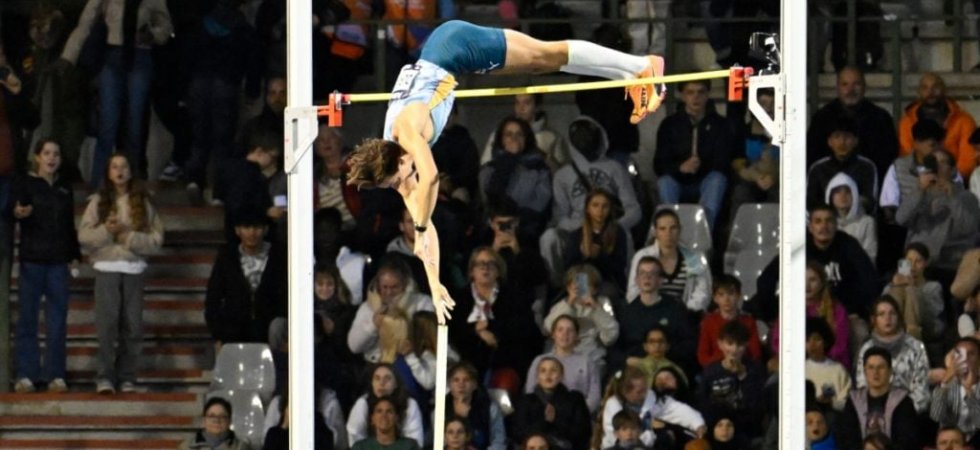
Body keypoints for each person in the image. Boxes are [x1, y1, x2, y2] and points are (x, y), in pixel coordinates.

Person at [346, 20, 667, 323]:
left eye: (399, 177)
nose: (403, 183)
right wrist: (433, 282)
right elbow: (425, 229)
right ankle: (634, 71)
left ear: (396, 157)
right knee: (542, 63)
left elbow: (429, 180)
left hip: (454, 46)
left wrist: (418, 225)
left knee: (546, 53)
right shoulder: (395, 161)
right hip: (452, 58)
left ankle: (641, 66)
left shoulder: (406, 130)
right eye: (395, 184)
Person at [78, 153, 164, 394]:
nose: (119, 171)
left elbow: (157, 239)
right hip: (106, 268)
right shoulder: (98, 202)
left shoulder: (143, 202)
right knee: (107, 326)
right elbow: (84, 237)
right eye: (114, 166)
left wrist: (130, 237)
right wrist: (107, 229)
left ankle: (127, 377)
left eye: (124, 166)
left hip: (133, 269)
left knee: (133, 326)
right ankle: (104, 376)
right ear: (108, 172)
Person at [59, 0, 174, 182]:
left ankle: (132, 183)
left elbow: (166, 26)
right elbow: (85, 24)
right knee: (108, 124)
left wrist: (152, 35)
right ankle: (99, 184)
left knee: (134, 124)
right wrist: (68, 57)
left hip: (140, 55)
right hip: (113, 54)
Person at [7, 140, 80, 393]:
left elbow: (70, 224)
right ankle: (26, 373)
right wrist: (19, 212)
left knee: (57, 320)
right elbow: (14, 209)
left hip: (58, 262)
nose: (52, 158)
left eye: (56, 154)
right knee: (28, 318)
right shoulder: (25, 183)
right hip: (32, 260)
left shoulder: (64, 188)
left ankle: (55, 374)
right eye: (47, 153)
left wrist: (74, 254)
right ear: (37, 157)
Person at [653, 79, 733, 230]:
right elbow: (659, 163)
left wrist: (700, 166)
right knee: (665, 182)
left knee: (717, 180)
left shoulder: (720, 124)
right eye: (690, 92)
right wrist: (680, 168)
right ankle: (672, 229)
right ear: (682, 96)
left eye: (700, 92)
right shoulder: (669, 124)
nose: (696, 97)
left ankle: (702, 233)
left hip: (706, 180)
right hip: (678, 180)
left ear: (708, 95)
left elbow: (723, 161)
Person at [204, 209, 287, 345]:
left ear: (265, 229)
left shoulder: (279, 255)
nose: (252, 233)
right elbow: (213, 298)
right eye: (246, 227)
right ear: (238, 230)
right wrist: (218, 334)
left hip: (270, 332)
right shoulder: (226, 257)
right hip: (234, 332)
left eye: (257, 227)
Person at [806, 66, 899, 179]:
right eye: (845, 84)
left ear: (865, 87)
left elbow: (889, 163)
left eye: (856, 84)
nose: (850, 90)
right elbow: (812, 160)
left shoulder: (881, 119)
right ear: (837, 88)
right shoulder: (822, 119)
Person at [896, 149, 980, 273]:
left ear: (952, 171)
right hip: (913, 262)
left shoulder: (966, 197)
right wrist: (919, 191)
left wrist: (951, 198)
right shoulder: (919, 193)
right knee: (894, 287)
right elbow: (900, 219)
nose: (937, 166)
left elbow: (967, 228)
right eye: (933, 162)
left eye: (942, 162)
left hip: (947, 265)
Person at [612, 256, 697, 380]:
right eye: (643, 273)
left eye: (652, 273)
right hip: (634, 370)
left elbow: (688, 344)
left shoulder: (675, 309)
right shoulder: (626, 312)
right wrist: (628, 360)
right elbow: (614, 349)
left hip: (666, 369)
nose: (647, 277)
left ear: (660, 280)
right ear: (636, 279)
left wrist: (662, 355)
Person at [594, 365, 706, 449]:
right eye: (639, 391)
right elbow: (615, 438)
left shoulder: (651, 397)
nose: (644, 394)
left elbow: (674, 409)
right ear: (625, 392)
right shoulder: (613, 406)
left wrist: (697, 423)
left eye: (645, 389)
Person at [854, 296, 931, 414]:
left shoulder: (916, 347)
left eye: (892, 313)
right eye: (882, 314)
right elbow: (862, 386)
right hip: (875, 414)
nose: (888, 318)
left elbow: (922, 392)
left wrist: (900, 412)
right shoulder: (866, 349)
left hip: (908, 414)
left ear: (898, 317)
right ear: (873, 320)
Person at [626, 209, 712, 312]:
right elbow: (633, 291)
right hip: (649, 314)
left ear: (680, 230)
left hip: (684, 315)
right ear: (656, 232)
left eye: (673, 228)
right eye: (662, 229)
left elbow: (703, 292)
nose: (668, 233)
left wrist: (685, 312)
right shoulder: (642, 256)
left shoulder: (694, 258)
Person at [543, 264, 620, 377]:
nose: (580, 289)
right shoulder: (561, 305)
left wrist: (596, 309)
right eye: (575, 286)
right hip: (562, 357)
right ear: (568, 288)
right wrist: (569, 304)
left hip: (592, 357)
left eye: (585, 285)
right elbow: (547, 329)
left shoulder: (603, 303)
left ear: (594, 289)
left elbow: (611, 336)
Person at [836, 347, 920, 450]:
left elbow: (908, 441)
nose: (875, 372)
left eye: (881, 367)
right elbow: (847, 438)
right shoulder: (854, 401)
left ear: (890, 371)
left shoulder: (903, 401)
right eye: (871, 367)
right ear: (865, 372)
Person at [898, 73, 977, 179]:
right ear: (919, 92)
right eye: (925, 87)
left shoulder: (964, 121)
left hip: (956, 181)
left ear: (944, 90)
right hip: (917, 180)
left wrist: (950, 178)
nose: (930, 92)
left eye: (936, 87)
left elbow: (968, 159)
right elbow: (906, 156)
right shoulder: (907, 122)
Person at [698, 321, 767, 442]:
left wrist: (743, 376)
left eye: (739, 344)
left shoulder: (756, 369)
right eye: (730, 343)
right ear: (720, 344)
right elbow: (702, 401)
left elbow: (758, 406)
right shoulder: (711, 371)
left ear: (746, 345)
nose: (734, 349)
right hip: (717, 429)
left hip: (746, 430)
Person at [524, 315, 602, 413]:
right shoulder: (539, 361)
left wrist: (577, 414)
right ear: (553, 334)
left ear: (576, 335)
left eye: (570, 330)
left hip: (577, 418)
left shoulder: (587, 362)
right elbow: (530, 392)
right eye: (560, 330)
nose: (565, 334)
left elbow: (594, 397)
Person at [509, 357, 592, 450]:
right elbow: (518, 433)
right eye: (543, 371)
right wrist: (544, 422)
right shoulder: (526, 401)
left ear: (561, 375)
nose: (548, 375)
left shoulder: (575, 399)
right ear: (537, 376)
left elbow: (583, 433)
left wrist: (556, 420)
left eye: (553, 370)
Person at [807, 117, 879, 213]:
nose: (842, 142)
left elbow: (870, 201)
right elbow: (810, 202)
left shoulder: (867, 167)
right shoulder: (818, 168)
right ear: (829, 142)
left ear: (855, 141)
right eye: (837, 136)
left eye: (847, 137)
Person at [884, 243, 945, 356]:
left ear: (925, 263)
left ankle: (910, 349)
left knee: (911, 291)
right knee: (898, 290)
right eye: (909, 261)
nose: (913, 266)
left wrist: (913, 288)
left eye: (918, 261)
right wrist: (894, 286)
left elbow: (933, 314)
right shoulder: (891, 286)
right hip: (897, 326)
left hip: (927, 325)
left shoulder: (933, 286)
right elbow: (881, 308)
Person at [563, 189, 629, 293]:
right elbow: (569, 266)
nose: (600, 210)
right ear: (587, 209)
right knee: (582, 293)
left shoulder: (618, 233)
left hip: (607, 281)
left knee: (606, 292)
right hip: (583, 279)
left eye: (605, 206)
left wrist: (600, 256)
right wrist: (583, 255)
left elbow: (619, 267)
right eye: (595, 205)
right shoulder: (577, 235)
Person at [346, 364, 425, 448]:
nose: (382, 383)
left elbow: (415, 440)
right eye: (377, 378)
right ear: (372, 383)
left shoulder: (409, 404)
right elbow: (355, 435)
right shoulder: (362, 403)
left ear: (396, 384)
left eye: (387, 379)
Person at [696, 275, 763, 367]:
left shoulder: (748, 321)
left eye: (731, 294)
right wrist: (721, 364)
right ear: (715, 298)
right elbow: (703, 356)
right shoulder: (708, 322)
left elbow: (755, 354)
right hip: (716, 370)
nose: (726, 299)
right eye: (721, 295)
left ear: (739, 295)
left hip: (744, 368)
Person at [443, 362, 507, 450]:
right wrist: (459, 417)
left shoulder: (490, 409)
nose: (461, 385)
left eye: (466, 380)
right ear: (449, 384)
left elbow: (499, 442)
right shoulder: (440, 408)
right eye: (456, 380)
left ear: (474, 385)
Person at [929, 338, 980, 446]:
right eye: (960, 354)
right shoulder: (947, 384)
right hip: (949, 439)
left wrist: (969, 391)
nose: (965, 359)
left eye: (971, 354)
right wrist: (945, 383)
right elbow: (936, 416)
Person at [826, 172, 877, 261]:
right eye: (838, 192)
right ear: (830, 196)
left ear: (854, 195)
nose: (843, 196)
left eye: (848, 192)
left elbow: (870, 257)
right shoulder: (825, 223)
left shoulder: (867, 222)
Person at [806, 317, 852, 411]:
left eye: (816, 339)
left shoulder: (838, 370)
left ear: (825, 342)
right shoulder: (797, 369)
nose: (812, 344)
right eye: (807, 340)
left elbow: (847, 403)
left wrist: (830, 403)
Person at [178, 396, 251, 450]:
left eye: (222, 416)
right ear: (204, 421)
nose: (217, 420)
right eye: (211, 416)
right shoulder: (186, 446)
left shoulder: (241, 447)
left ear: (229, 421)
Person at [351, 396, 421, 450]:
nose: (384, 415)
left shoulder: (410, 446)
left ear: (396, 418)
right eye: (379, 411)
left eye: (389, 411)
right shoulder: (360, 447)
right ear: (372, 419)